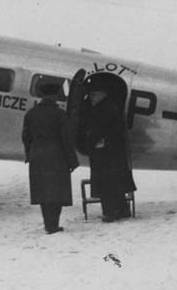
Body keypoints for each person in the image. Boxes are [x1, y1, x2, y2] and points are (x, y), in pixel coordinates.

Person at [22, 82, 79, 234]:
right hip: (57, 156)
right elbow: (67, 139)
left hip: (38, 156)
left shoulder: (31, 113)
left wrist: (29, 154)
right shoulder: (60, 114)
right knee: (57, 193)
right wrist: (72, 160)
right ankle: (53, 224)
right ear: (54, 97)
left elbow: (26, 137)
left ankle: (48, 224)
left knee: (43, 193)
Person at [83, 84, 136, 222]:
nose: (91, 98)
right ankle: (123, 209)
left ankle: (109, 212)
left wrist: (88, 145)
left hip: (103, 154)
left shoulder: (101, 109)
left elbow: (97, 131)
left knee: (105, 184)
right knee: (116, 183)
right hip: (114, 153)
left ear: (102, 94)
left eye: (93, 95)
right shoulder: (112, 107)